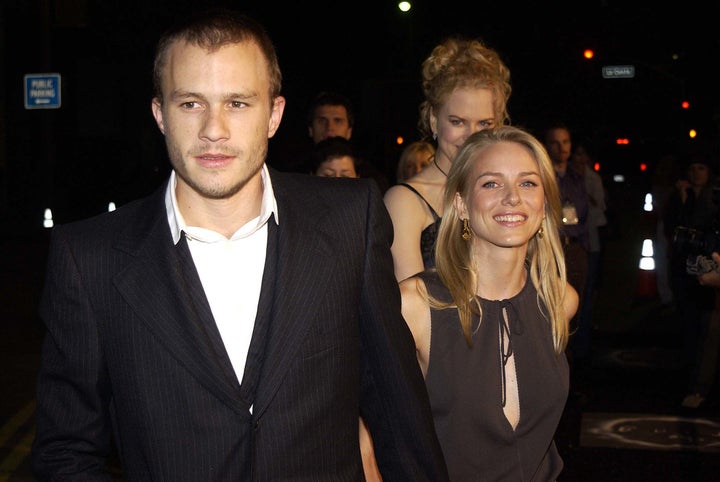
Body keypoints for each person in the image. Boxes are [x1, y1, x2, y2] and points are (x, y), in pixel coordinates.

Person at [31, 9, 449, 481]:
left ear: (274, 114)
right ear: (159, 114)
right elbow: (65, 453)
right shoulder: (89, 258)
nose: (214, 129)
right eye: (190, 103)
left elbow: (397, 411)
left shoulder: (351, 219)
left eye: (237, 103)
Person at [399, 126, 578, 479]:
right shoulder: (414, 306)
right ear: (462, 205)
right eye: (491, 184)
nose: (512, 197)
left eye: (528, 183)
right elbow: (363, 434)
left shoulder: (559, 301)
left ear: (544, 206)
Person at [383, 36, 512, 281]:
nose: (472, 136)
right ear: (433, 120)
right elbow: (412, 309)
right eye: (457, 122)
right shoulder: (405, 202)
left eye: (484, 123)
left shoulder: (508, 192)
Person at [542, 121, 590, 364]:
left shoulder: (576, 176)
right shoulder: (541, 175)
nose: (561, 148)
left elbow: (584, 214)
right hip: (551, 249)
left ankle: (572, 368)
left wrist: (584, 247)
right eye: (555, 142)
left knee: (576, 311)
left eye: (566, 142)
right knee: (553, 310)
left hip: (575, 248)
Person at [569, 137, 607, 362]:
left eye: (583, 155)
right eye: (577, 154)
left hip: (589, 242)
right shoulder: (566, 180)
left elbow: (599, 206)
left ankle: (584, 346)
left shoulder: (591, 179)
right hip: (574, 243)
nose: (579, 159)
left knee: (587, 294)